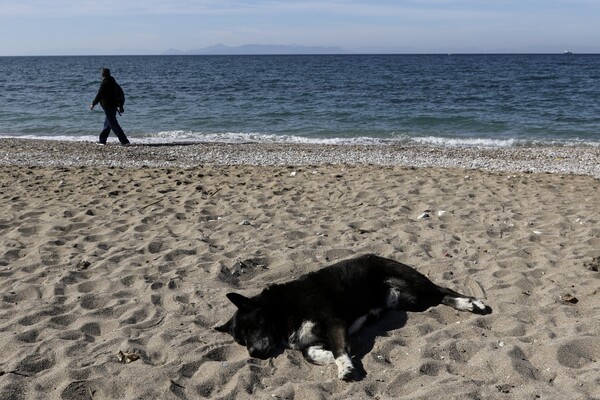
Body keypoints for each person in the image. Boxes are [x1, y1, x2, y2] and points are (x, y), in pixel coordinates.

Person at [90, 68, 130, 145]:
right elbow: (121, 93)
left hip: (108, 106)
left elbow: (99, 94)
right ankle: (102, 141)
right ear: (109, 73)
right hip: (114, 106)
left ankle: (125, 141)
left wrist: (93, 104)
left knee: (113, 124)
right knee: (108, 123)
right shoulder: (113, 82)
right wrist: (120, 105)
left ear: (102, 74)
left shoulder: (105, 83)